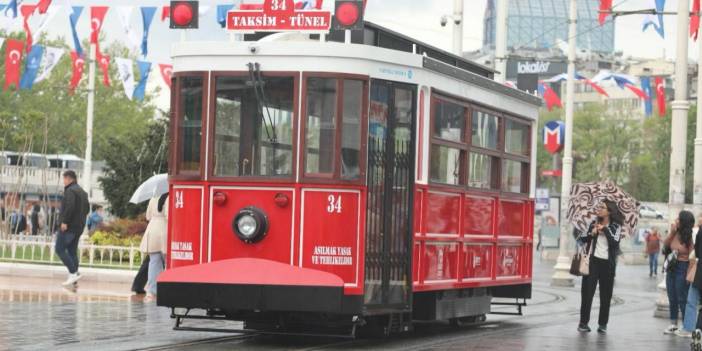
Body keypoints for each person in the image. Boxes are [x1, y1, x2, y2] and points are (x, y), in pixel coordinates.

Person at [577, 200, 623, 334]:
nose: (599, 209)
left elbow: (615, 243)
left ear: (609, 211)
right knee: (587, 294)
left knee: (605, 295)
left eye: (602, 207)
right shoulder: (593, 223)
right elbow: (580, 239)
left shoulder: (616, 226)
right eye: (599, 207)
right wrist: (592, 233)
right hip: (592, 263)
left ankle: (603, 324)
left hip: (608, 265)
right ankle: (583, 323)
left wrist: (605, 230)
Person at [663, 210, 696, 335]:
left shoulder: (688, 237)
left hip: (683, 267)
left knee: (681, 297)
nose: (676, 220)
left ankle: (685, 325)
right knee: (672, 296)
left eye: (678, 218)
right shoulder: (674, 232)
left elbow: (692, 257)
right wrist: (672, 232)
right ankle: (673, 324)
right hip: (672, 267)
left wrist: (688, 273)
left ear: (683, 222)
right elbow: (666, 245)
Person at [56, 170, 90, 287]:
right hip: (79, 227)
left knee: (59, 249)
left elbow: (70, 207)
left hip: (68, 227)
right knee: (71, 251)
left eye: (64, 179)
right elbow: (87, 210)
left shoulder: (70, 191)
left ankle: (72, 273)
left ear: (70, 179)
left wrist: (65, 221)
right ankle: (74, 279)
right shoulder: (83, 192)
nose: (63, 182)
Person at [139, 193, 168, 301]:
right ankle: (166, 290)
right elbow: (169, 215)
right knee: (168, 263)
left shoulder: (153, 198)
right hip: (164, 229)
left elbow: (148, 216)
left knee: (153, 263)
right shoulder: (170, 197)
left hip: (152, 230)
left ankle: (151, 291)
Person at [680, 214, 702, 337]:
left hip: (699, 273)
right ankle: (696, 330)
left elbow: (697, 252)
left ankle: (691, 329)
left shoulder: (700, 231)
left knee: (691, 301)